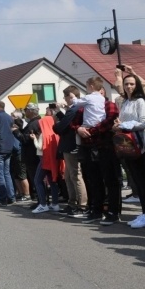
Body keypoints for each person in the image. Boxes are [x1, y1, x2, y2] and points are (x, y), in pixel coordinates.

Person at [75, 77, 121, 225]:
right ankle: (96, 211)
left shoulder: (110, 105)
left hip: (105, 146)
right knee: (94, 180)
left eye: (100, 91)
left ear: (102, 91)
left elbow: (109, 121)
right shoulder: (86, 107)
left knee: (110, 180)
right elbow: (74, 121)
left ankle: (113, 212)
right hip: (88, 147)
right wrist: (79, 129)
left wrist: (92, 130)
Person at [114, 73, 145, 228]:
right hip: (128, 145)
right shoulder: (126, 102)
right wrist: (118, 124)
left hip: (139, 145)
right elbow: (124, 121)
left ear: (137, 85)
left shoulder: (140, 101)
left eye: (132, 84)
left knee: (142, 181)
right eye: (126, 84)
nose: (129, 86)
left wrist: (125, 125)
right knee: (137, 180)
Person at [53, 86, 88, 217]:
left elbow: (61, 127)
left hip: (72, 145)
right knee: (68, 176)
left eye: (65, 96)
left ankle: (82, 205)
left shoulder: (74, 108)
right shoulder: (73, 109)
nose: (64, 99)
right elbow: (67, 123)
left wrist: (56, 123)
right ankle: (72, 203)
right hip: (68, 145)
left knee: (75, 176)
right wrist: (59, 113)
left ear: (71, 96)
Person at [71, 79, 107, 147]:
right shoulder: (102, 98)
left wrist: (73, 97)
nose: (86, 88)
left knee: (79, 133)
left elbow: (76, 103)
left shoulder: (88, 97)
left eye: (86, 86)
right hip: (100, 122)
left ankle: (78, 145)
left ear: (91, 87)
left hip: (89, 124)